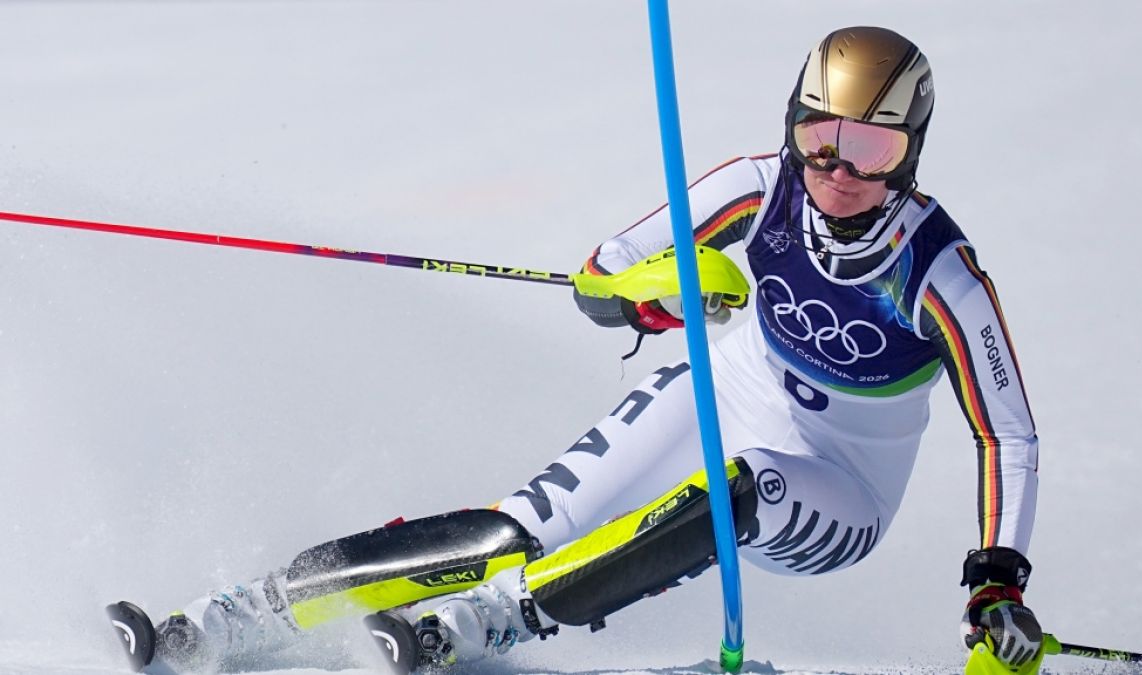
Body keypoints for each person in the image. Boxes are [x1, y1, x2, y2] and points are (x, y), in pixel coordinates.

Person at [107, 26, 1043, 674]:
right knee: (516, 527)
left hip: (837, 486)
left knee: (744, 484)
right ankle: (245, 611)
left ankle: (497, 620)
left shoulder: (941, 276)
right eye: (820, 137)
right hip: (724, 386)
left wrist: (995, 583)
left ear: (910, 152)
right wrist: (666, 294)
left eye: (870, 150)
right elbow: (603, 273)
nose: (838, 171)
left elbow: (1009, 438)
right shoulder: (758, 188)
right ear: (790, 124)